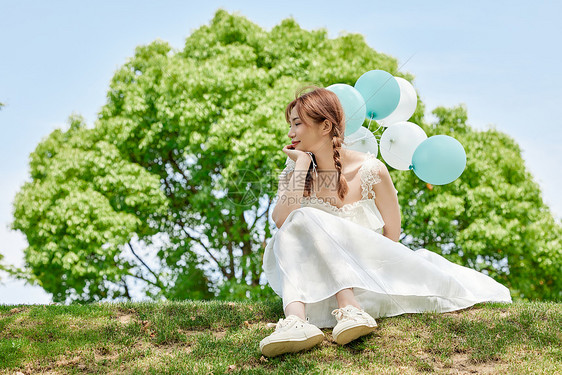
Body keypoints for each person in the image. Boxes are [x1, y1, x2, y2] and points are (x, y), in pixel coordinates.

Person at [259, 86, 511, 357]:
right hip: (317, 292)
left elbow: (392, 235)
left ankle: (347, 308)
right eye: (290, 125)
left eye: (297, 124)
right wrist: (300, 167)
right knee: (302, 217)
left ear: (325, 126)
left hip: (370, 281)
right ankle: (298, 322)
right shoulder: (295, 170)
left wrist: (365, 270)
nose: (290, 133)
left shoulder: (372, 170)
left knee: (306, 216)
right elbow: (282, 221)